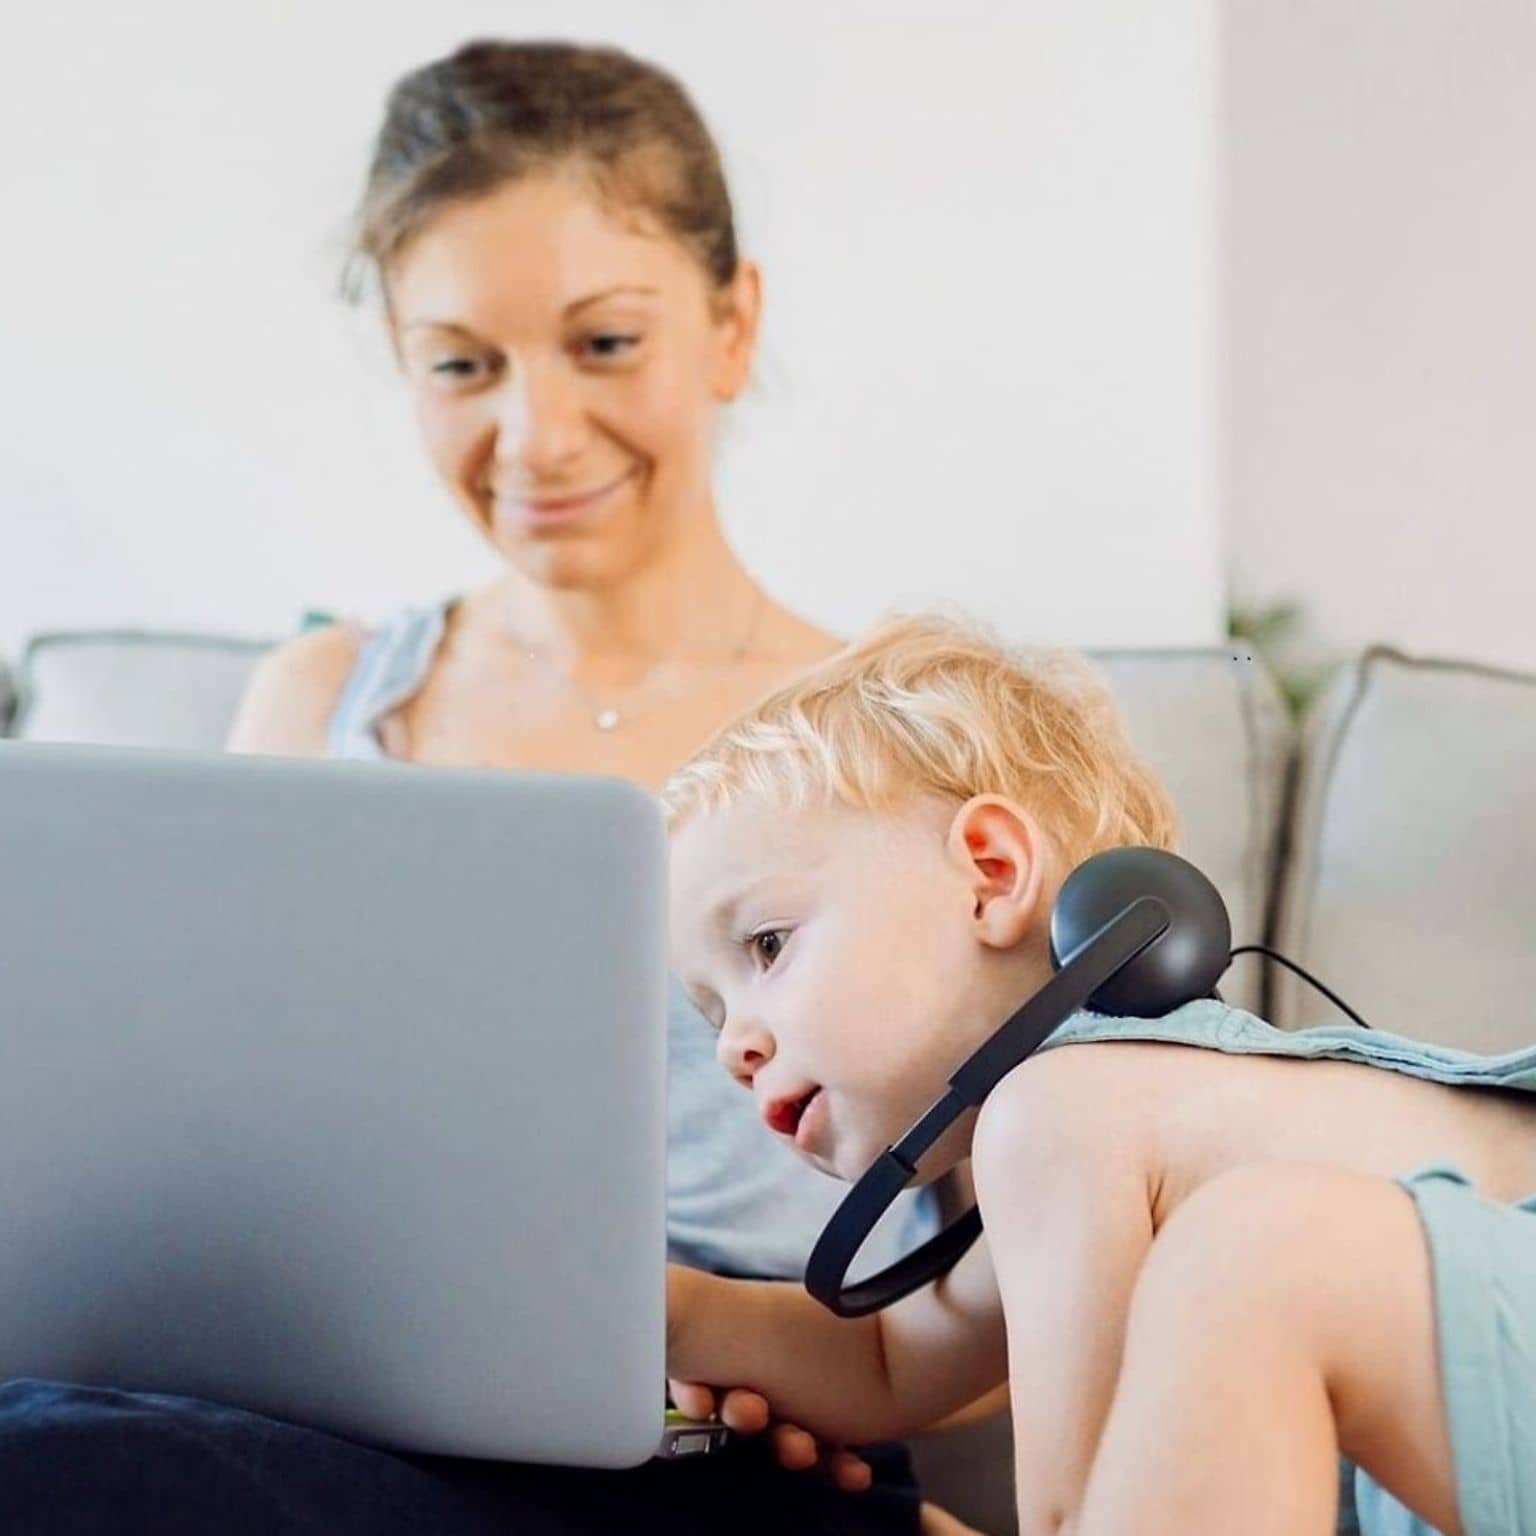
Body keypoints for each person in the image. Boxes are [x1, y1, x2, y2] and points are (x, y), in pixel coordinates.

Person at [0, 38, 990, 1536]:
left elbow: (1041, 1272)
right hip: (306, 1419)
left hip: (722, 1444)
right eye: (462, 363)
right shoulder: (322, 701)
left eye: (603, 344)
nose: (533, 436)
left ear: (732, 326)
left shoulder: (906, 734)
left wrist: (802, 1372)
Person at [662, 610, 1536, 1536]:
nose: (733, 1047)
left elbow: (1078, 1516)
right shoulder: (1087, 1127)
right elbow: (889, 1360)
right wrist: (668, 1313)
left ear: (991, 875)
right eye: (711, 1013)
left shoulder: (1060, 1110)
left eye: (767, 945)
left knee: (1259, 1248)